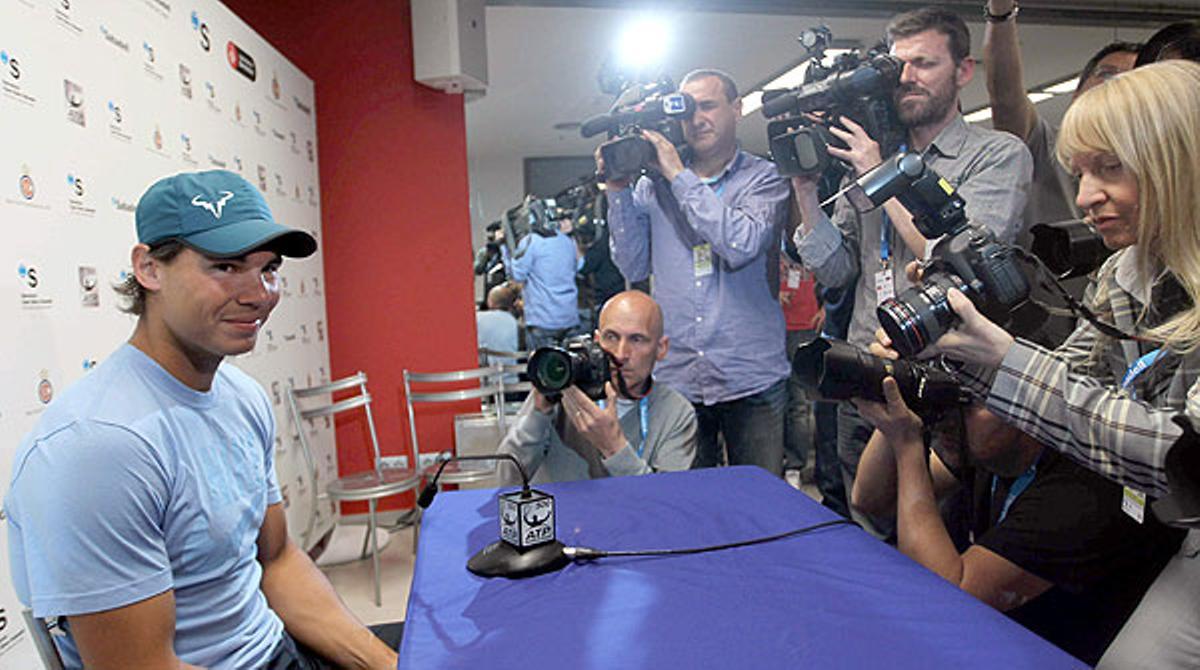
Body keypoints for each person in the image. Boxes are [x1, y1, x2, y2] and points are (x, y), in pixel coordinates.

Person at [874, 60, 1200, 670]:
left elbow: (1179, 459)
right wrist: (959, 351)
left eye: (1110, 169)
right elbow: (1065, 385)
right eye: (1079, 172)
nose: (1084, 198)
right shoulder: (1125, 273)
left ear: (1177, 165)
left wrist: (999, 355)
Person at [4, 170, 401, 669]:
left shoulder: (243, 397)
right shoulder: (99, 447)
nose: (259, 293)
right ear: (149, 268)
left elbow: (276, 562)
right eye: (226, 267)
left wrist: (390, 665)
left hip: (277, 650)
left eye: (268, 269)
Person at [791, 6, 1032, 535]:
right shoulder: (867, 157)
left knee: (936, 548)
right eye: (897, 65)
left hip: (945, 386)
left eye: (924, 63)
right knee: (865, 536)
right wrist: (806, 188)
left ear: (963, 71)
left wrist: (881, 174)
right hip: (866, 373)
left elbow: (957, 261)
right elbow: (832, 270)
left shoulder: (996, 155)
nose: (907, 77)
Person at [852, 387, 1184, 664]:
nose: (951, 419)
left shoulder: (1079, 492)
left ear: (1027, 405)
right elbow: (872, 499)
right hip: (1004, 638)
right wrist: (897, 410)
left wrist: (908, 443)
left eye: (971, 404)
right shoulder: (993, 442)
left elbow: (949, 598)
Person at [603, 68, 791, 477]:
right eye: (688, 110)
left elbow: (738, 243)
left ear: (737, 109)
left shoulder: (764, 178)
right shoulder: (651, 186)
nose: (697, 119)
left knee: (762, 508)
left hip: (750, 373)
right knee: (688, 508)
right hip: (680, 376)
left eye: (708, 105)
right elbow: (633, 266)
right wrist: (617, 191)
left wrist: (677, 174)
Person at [497, 290, 696, 484]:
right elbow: (506, 479)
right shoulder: (565, 390)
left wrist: (614, 447)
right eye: (611, 337)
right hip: (563, 515)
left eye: (637, 339)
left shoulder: (676, 412)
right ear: (597, 341)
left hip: (629, 517)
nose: (620, 354)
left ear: (661, 349)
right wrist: (538, 414)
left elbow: (666, 503)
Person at [505, 221, 579, 350]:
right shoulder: (567, 241)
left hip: (543, 320)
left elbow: (517, 275)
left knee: (540, 367)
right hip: (569, 317)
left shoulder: (531, 241)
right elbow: (578, 266)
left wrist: (505, 249)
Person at [779, 252, 820, 478]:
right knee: (772, 402)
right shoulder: (766, 231)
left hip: (806, 324)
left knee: (799, 402)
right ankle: (775, 463)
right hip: (771, 325)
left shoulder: (808, 236)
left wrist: (825, 308)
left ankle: (795, 465)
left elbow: (833, 275)